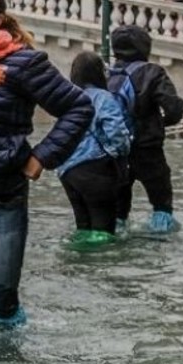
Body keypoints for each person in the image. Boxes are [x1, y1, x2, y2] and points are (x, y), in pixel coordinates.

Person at [0, 0, 92, 327]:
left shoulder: (23, 62)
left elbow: (78, 107)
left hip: (2, 194)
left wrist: (42, 157)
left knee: (0, 294)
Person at [108, 25, 183, 233]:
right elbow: (174, 108)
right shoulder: (152, 72)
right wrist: (161, 123)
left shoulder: (107, 74)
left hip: (116, 151)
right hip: (147, 148)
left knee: (118, 206)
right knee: (161, 199)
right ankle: (161, 236)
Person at [57, 52, 132, 247]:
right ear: (98, 73)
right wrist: (118, 152)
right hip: (95, 170)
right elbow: (116, 132)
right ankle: (98, 268)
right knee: (103, 229)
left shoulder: (66, 98)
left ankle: (80, 262)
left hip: (67, 172)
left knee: (83, 226)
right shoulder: (103, 97)